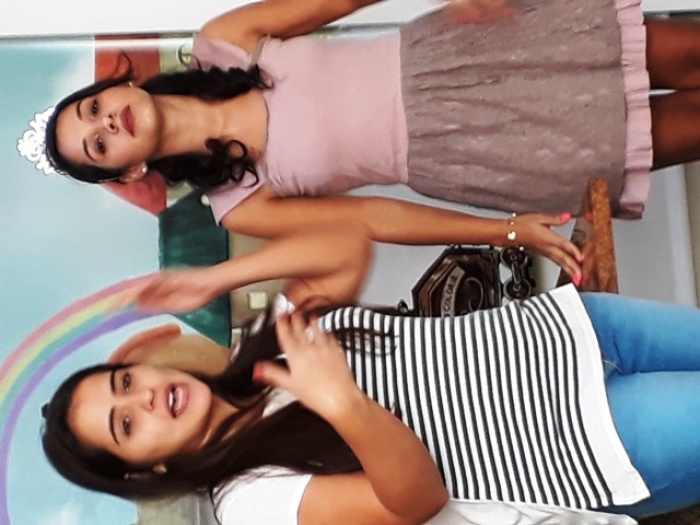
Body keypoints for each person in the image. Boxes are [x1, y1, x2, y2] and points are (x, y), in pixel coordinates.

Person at [61, 0, 700, 283]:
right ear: (129, 170)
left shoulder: (223, 39)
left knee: (689, 51)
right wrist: (508, 231)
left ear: (116, 87)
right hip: (470, 149)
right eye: (97, 145)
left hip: (464, 51)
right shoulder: (240, 204)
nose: (106, 124)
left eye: (93, 110)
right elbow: (375, 219)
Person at [42, 283, 700, 524]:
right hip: (587, 442)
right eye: (126, 424)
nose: (147, 398)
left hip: (566, 331)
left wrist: (218, 278)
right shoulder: (248, 500)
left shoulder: (264, 356)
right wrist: (344, 405)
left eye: (125, 383)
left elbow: (345, 243)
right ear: (148, 470)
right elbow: (412, 503)